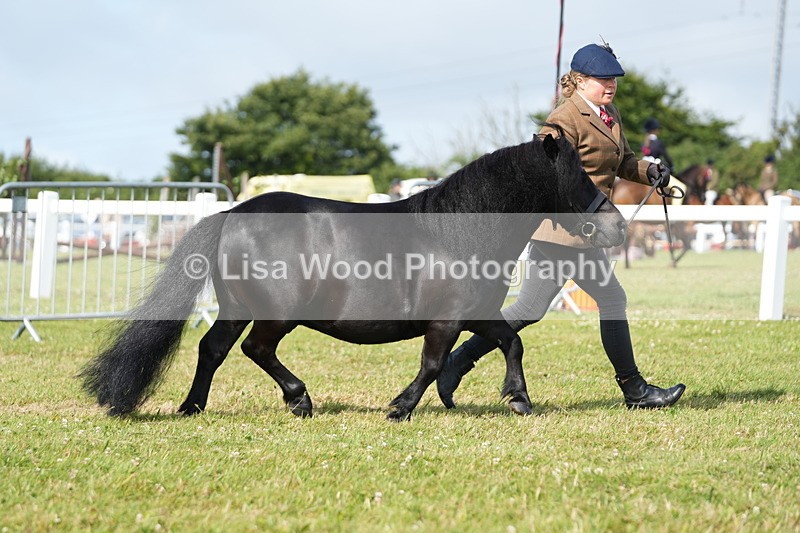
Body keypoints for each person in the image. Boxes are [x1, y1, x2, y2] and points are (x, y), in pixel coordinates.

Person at [436, 42, 686, 411]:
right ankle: (634, 389)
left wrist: (650, 171)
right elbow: (543, 171)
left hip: (588, 232)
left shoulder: (609, 114)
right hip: (561, 233)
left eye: (613, 78)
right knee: (545, 306)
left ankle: (456, 362)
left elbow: (623, 161)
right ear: (580, 81)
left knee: (537, 307)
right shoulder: (562, 120)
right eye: (602, 79)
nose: (610, 84)